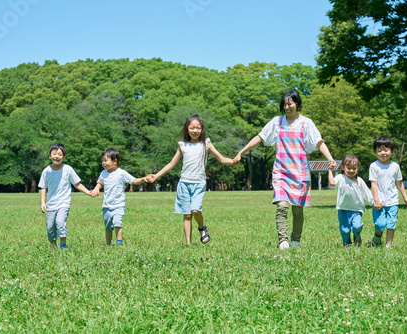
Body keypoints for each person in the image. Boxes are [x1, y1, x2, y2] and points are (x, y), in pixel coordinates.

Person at [233, 91, 336, 250]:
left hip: (300, 172)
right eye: (285, 104)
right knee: (282, 206)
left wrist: (330, 158)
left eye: (290, 103)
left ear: (297, 103)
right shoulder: (277, 122)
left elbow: (318, 141)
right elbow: (259, 137)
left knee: (297, 211)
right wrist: (241, 152)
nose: (287, 107)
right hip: (281, 172)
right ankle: (283, 240)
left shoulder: (306, 123)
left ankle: (295, 239)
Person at [145, 114, 234, 246]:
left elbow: (221, 158)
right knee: (187, 215)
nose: (195, 131)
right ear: (187, 129)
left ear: (202, 129)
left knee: (195, 210)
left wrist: (232, 161)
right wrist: (156, 176)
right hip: (184, 184)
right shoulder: (183, 145)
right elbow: (171, 164)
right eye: (192, 128)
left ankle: (202, 228)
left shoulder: (206, 144)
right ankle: (188, 244)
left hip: (199, 183)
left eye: (198, 128)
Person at [39, 143, 92, 250]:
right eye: (54, 154)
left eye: (59, 154)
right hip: (51, 204)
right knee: (50, 227)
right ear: (49, 155)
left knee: (60, 222)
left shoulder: (68, 169)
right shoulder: (46, 171)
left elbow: (76, 183)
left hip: (64, 202)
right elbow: (43, 187)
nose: (56, 156)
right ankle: (53, 246)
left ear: (63, 157)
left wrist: (88, 192)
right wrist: (42, 202)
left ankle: (63, 246)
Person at [90, 148, 146, 246]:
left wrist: (143, 179)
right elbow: (100, 183)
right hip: (106, 206)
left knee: (117, 223)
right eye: (102, 161)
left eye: (106, 160)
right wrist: (96, 188)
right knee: (108, 227)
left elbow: (134, 180)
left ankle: (119, 243)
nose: (103, 163)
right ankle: (108, 244)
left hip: (118, 205)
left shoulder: (121, 173)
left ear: (115, 161)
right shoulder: (103, 173)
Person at [369, 136, 407, 248]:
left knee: (391, 224)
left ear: (392, 151)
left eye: (386, 150)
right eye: (379, 151)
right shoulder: (374, 166)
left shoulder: (395, 166)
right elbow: (373, 184)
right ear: (375, 152)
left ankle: (388, 245)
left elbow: (399, 183)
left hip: (392, 200)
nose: (383, 153)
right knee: (379, 224)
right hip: (379, 201)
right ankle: (377, 237)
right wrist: (376, 200)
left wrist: (405, 197)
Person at [328, 155, 373, 246]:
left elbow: (367, 193)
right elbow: (332, 183)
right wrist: (330, 171)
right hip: (343, 209)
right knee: (344, 230)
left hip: (357, 209)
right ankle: (347, 244)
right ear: (343, 168)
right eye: (349, 168)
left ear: (358, 168)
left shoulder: (359, 181)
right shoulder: (341, 178)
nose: (351, 171)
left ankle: (357, 235)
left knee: (357, 226)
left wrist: (374, 202)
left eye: (354, 168)